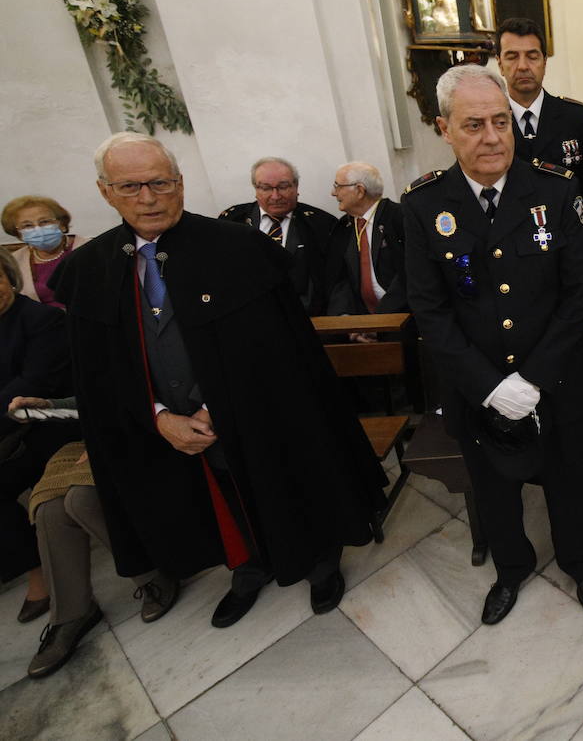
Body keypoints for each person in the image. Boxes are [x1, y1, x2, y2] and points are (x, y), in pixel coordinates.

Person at [51, 132, 386, 629]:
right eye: (130, 187)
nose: (148, 198)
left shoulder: (239, 247)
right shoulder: (88, 270)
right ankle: (247, 568)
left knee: (290, 482)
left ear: (180, 185)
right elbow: (99, 371)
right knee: (215, 500)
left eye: (160, 183)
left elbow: (279, 350)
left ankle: (320, 566)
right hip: (169, 428)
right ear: (105, 192)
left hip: (257, 411)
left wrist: (214, 407)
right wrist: (158, 417)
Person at [402, 64, 583, 626]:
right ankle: (511, 570)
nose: (492, 137)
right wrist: (491, 386)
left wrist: (532, 377)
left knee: (570, 481)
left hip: (556, 378)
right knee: (492, 489)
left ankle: (581, 564)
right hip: (476, 386)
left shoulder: (557, 191)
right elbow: (431, 311)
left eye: (501, 122)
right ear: (444, 129)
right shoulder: (423, 207)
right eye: (473, 125)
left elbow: (578, 297)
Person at [14, 397, 179, 679]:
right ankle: (72, 613)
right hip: (82, 434)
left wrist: (101, 432)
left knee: (81, 499)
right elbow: (85, 391)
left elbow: (125, 388)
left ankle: (152, 575)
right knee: (48, 511)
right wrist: (48, 405)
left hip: (139, 423)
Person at [0, 247, 74, 626]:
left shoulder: (41, 320)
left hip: (55, 420)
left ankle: (39, 576)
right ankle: (34, 567)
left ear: (9, 277)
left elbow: (32, 387)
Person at [495, 17, 583, 203]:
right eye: (512, 57)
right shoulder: (490, 122)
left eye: (532, 56)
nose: (522, 66)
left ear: (544, 62)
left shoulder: (576, 117)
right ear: (499, 64)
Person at [217, 157, 335, 314]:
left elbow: (335, 281)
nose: (275, 196)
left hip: (307, 317)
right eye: (266, 188)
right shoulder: (232, 221)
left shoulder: (320, 224)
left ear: (296, 187)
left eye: (283, 187)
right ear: (256, 190)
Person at [326, 162, 407, 315]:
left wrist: (381, 319)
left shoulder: (399, 218)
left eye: (338, 186)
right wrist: (345, 319)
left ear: (359, 191)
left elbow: (408, 274)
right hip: (363, 320)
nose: (333, 193)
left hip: (402, 317)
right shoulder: (343, 227)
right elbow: (341, 279)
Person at [2, 196, 89, 307]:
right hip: (42, 322)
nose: (38, 229)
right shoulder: (15, 261)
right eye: (27, 225)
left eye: (45, 222)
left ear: (62, 224)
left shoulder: (89, 248)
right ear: (18, 234)